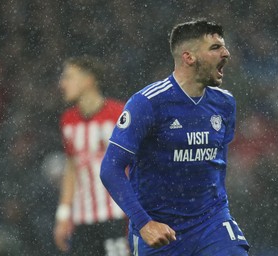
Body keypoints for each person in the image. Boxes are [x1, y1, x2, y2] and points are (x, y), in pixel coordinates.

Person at [100, 19, 250, 255]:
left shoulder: (225, 103)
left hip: (211, 222)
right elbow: (111, 168)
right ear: (188, 57)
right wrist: (144, 223)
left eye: (224, 46)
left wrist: (219, 213)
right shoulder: (147, 103)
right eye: (215, 48)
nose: (226, 53)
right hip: (160, 229)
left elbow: (216, 165)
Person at [54, 56, 128, 256]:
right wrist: (63, 215)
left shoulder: (119, 114)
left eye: (68, 77)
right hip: (82, 221)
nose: (62, 83)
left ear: (88, 80)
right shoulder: (68, 121)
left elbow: (137, 163)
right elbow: (71, 169)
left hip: (117, 216)